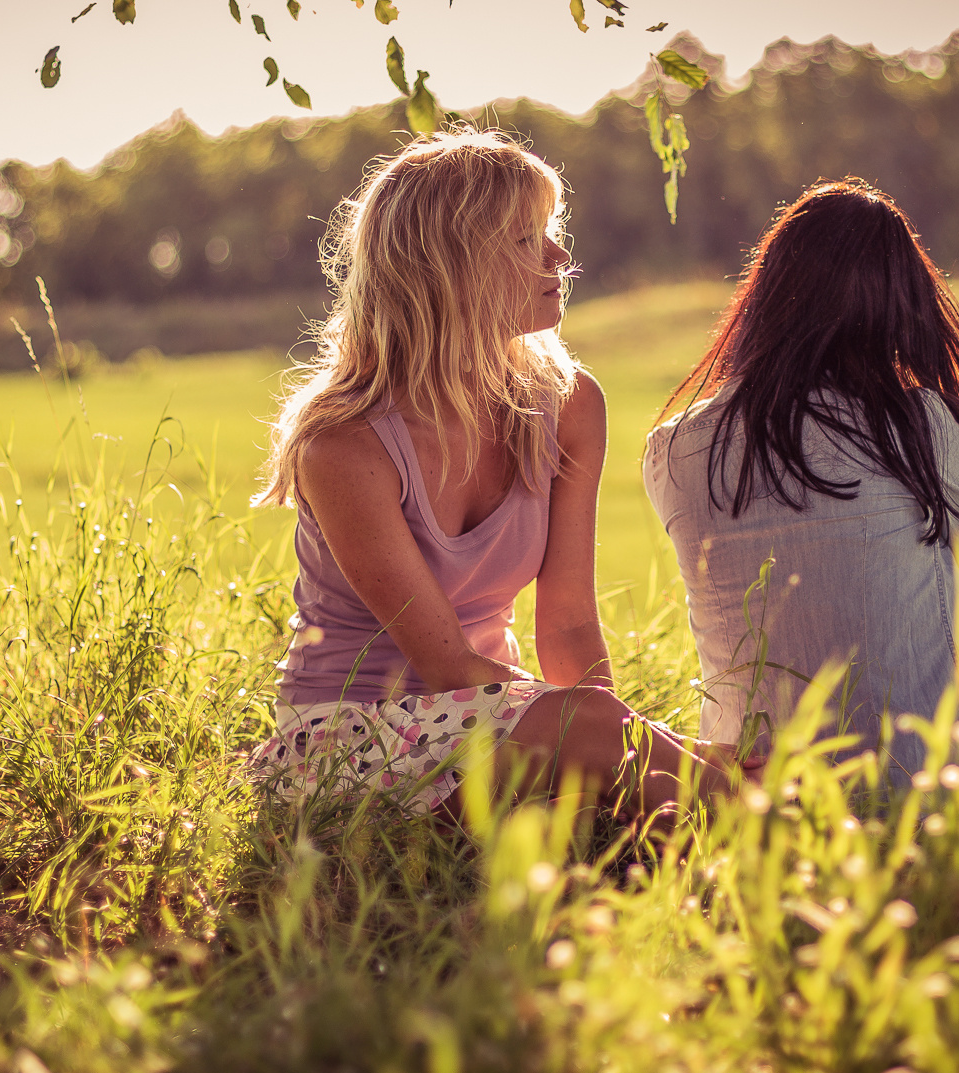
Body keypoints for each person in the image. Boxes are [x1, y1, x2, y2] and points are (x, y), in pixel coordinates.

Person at [251, 129, 746, 821]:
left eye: (551, 230)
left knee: (687, 768)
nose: (559, 256)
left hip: (499, 725)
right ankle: (813, 856)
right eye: (523, 240)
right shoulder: (345, 445)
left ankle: (752, 842)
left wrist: (624, 751)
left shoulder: (570, 404)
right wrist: (611, 737)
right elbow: (448, 669)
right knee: (646, 756)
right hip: (344, 743)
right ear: (447, 266)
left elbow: (569, 624)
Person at [644, 179, 959, 786]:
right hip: (931, 790)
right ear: (903, 303)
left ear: (765, 296)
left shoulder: (672, 448)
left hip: (754, 792)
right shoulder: (923, 426)